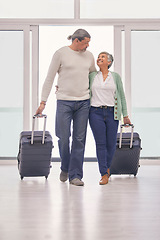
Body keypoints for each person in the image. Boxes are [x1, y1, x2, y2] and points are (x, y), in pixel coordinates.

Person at [36, 29, 96, 186]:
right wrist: (43, 102)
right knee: (63, 138)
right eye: (86, 42)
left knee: (79, 139)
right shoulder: (60, 53)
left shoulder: (89, 56)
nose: (88, 45)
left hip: (83, 102)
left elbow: (93, 78)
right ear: (76, 41)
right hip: (64, 102)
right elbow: (49, 78)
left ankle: (75, 175)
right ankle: (65, 167)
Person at [89, 51, 131, 185]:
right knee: (100, 144)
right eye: (98, 57)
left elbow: (122, 96)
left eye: (103, 57)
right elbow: (80, 87)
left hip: (113, 113)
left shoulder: (116, 77)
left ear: (109, 62)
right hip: (95, 112)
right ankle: (104, 173)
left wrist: (125, 115)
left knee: (111, 144)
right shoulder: (92, 76)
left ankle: (106, 168)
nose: (99, 58)